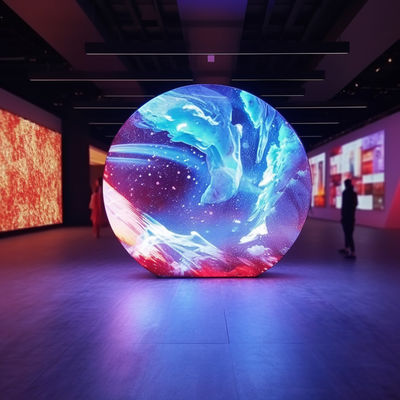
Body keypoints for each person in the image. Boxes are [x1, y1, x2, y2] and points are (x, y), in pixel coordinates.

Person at [339, 178, 358, 258]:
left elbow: (344, 206)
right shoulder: (354, 193)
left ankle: (352, 252)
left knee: (348, 234)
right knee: (348, 233)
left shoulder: (345, 193)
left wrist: (342, 216)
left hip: (346, 217)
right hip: (351, 216)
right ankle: (347, 248)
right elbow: (355, 204)